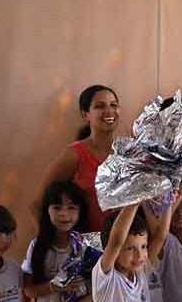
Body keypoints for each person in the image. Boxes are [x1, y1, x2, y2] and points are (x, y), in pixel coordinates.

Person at [38, 85, 121, 232]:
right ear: (85, 114)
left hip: (125, 247)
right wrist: (53, 244)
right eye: (99, 106)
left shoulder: (128, 152)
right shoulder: (74, 154)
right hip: (86, 249)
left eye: (113, 105)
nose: (109, 111)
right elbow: (39, 203)